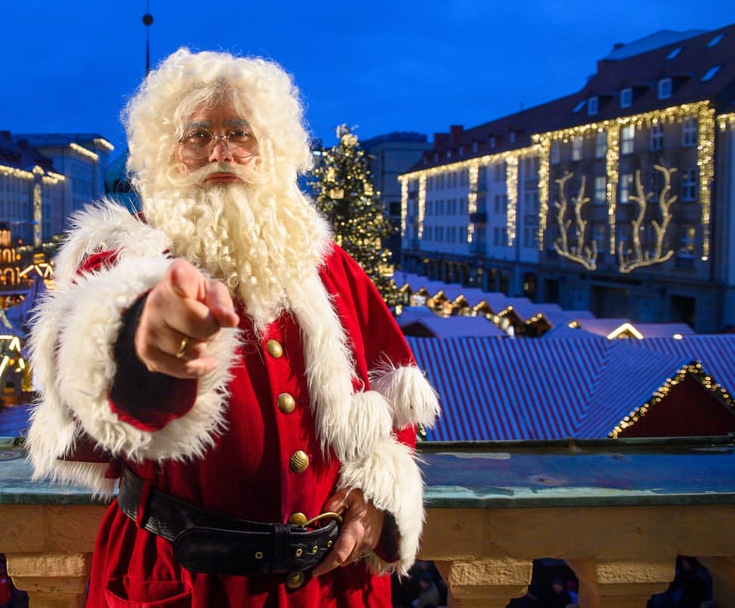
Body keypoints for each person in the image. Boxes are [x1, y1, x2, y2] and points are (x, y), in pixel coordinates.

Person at [26, 48, 439, 607]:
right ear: (165, 153)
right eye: (197, 135)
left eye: (240, 133)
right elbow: (87, 358)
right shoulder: (122, 260)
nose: (220, 152)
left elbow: (396, 396)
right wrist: (143, 338)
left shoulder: (327, 263)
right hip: (186, 583)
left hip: (328, 588)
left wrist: (376, 495)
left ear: (272, 148)